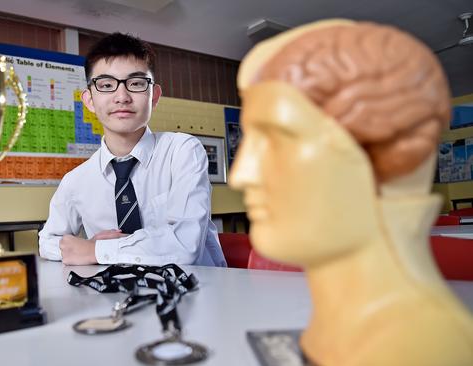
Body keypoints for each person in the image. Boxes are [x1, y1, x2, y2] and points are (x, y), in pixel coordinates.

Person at [230, 20, 473, 365]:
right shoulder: (345, 327)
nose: (242, 175)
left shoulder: (419, 346)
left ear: (390, 153)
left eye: (280, 138)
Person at [39, 32, 226, 267]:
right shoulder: (75, 180)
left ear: (154, 96)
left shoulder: (182, 151)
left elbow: (185, 244)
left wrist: (97, 250)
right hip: (116, 296)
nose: (122, 97)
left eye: (136, 83)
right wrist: (87, 248)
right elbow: (47, 241)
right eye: (106, 85)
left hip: (198, 291)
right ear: (89, 101)